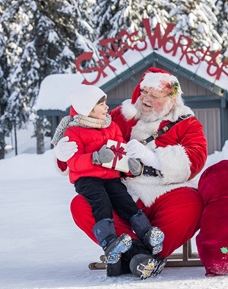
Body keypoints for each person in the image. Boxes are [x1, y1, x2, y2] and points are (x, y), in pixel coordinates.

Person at [54, 68, 208, 279]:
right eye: (144, 91)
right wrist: (63, 153)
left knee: (192, 204)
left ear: (171, 100)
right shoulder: (118, 116)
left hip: (167, 191)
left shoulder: (187, 123)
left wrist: (153, 158)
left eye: (154, 95)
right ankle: (138, 255)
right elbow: (84, 124)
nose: (145, 98)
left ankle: (132, 254)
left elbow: (196, 158)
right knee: (81, 206)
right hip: (123, 191)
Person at [52, 84, 165, 271]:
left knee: (125, 201)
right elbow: (74, 163)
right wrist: (95, 158)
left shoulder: (111, 126)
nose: (106, 108)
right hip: (87, 179)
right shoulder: (73, 131)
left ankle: (147, 233)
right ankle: (110, 242)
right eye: (101, 104)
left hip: (111, 177)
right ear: (88, 108)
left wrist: (130, 166)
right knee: (101, 203)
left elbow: (121, 150)